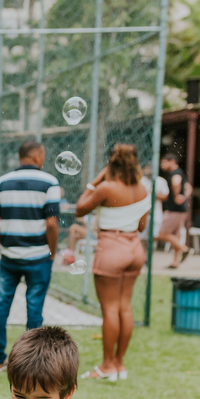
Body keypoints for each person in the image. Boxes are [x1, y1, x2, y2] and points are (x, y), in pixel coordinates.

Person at [75, 144, 150, 382]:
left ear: (111, 163)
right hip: (135, 249)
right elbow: (141, 226)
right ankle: (119, 364)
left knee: (110, 309)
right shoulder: (144, 188)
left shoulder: (106, 187)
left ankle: (107, 365)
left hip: (112, 248)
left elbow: (79, 209)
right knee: (124, 307)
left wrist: (95, 181)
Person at [0, 141, 61, 373]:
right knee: (35, 308)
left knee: (2, 305)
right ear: (37, 156)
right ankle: (32, 362)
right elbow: (51, 224)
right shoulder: (50, 182)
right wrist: (52, 251)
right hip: (39, 257)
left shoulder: (1, 182)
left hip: (9, 257)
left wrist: (7, 242)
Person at [158, 153, 192, 267]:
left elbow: (176, 182)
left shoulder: (175, 174)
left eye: (164, 163)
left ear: (172, 161)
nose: (161, 165)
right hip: (181, 210)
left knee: (161, 233)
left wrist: (177, 195)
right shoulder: (180, 172)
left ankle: (184, 249)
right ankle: (175, 262)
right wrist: (184, 197)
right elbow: (188, 187)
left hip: (174, 210)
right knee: (175, 236)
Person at [141, 162, 169, 242]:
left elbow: (165, 196)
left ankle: (151, 251)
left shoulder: (160, 181)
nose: (148, 170)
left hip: (156, 211)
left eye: (150, 168)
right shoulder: (141, 181)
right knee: (143, 236)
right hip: (143, 212)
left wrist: (154, 194)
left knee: (155, 235)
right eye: (147, 168)